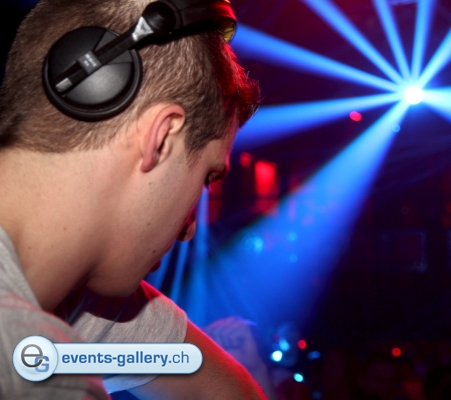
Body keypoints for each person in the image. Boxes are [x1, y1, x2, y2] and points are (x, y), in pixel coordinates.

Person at [0, 0, 263, 398]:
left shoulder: (76, 305)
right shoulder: (29, 366)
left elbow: (222, 390)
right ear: (161, 138)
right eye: (207, 176)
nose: (189, 229)